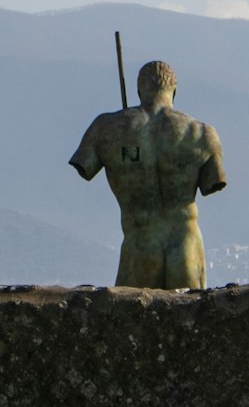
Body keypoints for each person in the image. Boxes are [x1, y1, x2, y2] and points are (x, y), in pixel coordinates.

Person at [69, 60, 227, 289]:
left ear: (139, 91)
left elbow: (85, 165)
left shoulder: (106, 128)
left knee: (132, 322)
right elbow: (212, 183)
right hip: (186, 249)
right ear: (174, 91)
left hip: (139, 248)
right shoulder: (201, 133)